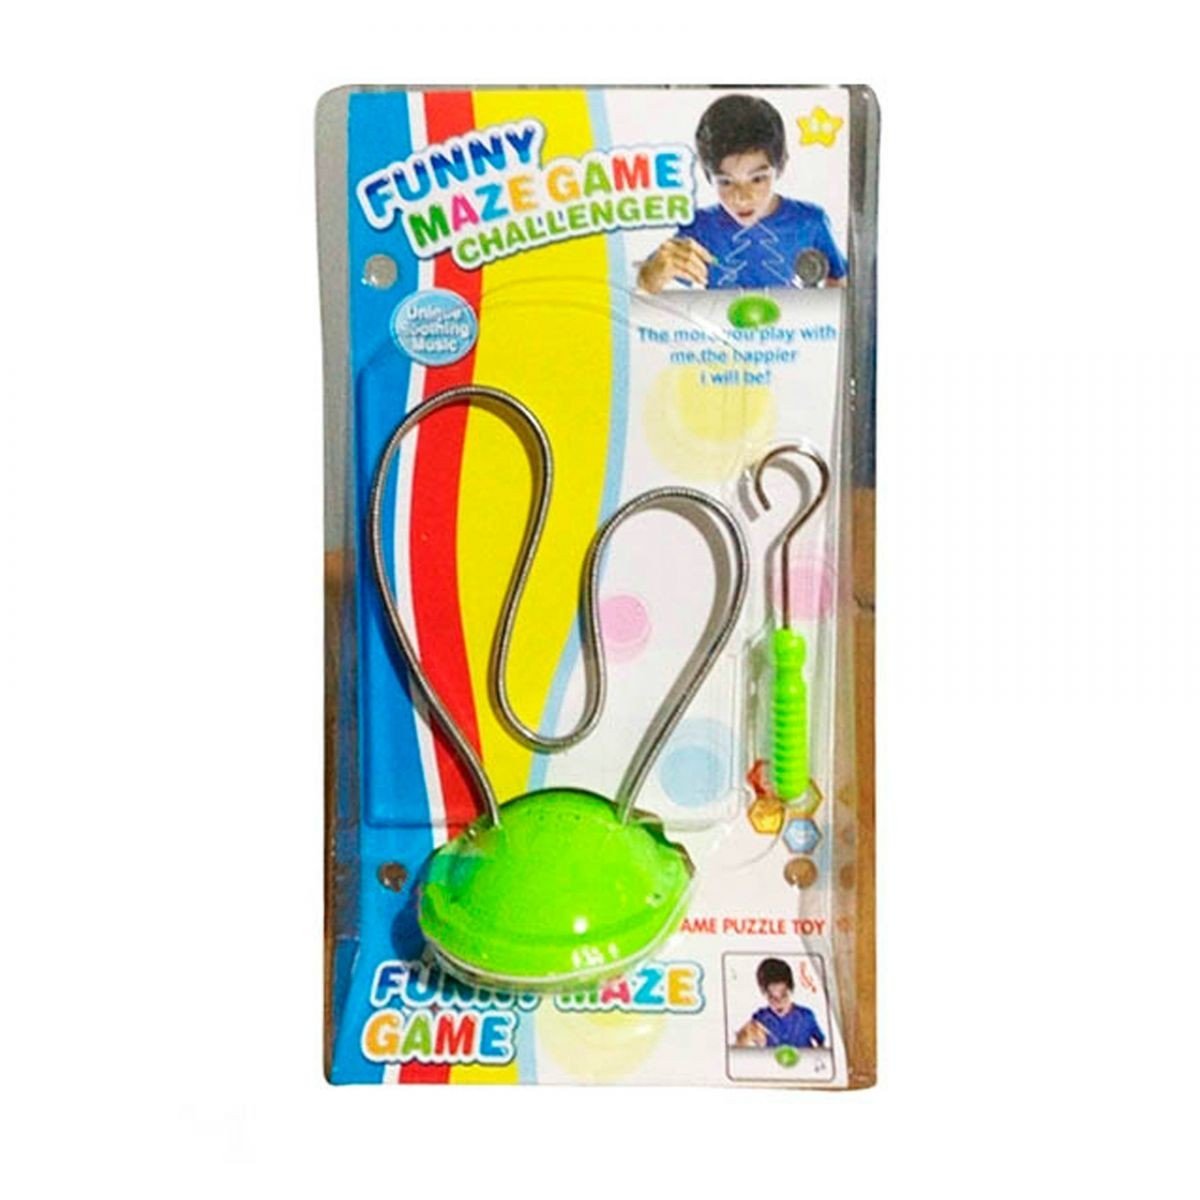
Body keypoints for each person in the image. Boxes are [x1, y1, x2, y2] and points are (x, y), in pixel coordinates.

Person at [637, 94, 847, 293]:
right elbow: (647, 283)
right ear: (709, 176)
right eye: (726, 182)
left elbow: (841, 281)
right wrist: (650, 275)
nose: (742, 197)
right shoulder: (701, 228)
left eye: (757, 179)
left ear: (780, 166)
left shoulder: (809, 221)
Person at [735, 957, 826, 1049]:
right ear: (764, 994)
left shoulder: (806, 1017)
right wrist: (743, 1037)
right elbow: (741, 1043)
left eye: (784, 996)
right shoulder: (760, 1019)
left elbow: (821, 1043)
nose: (779, 1003)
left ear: (791, 990)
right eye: (772, 998)